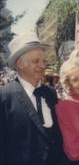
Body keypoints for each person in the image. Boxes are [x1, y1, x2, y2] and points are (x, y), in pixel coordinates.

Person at [0, 33, 64, 165]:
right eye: (36, 61)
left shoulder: (50, 93)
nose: (42, 66)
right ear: (20, 64)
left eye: (43, 61)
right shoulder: (4, 96)